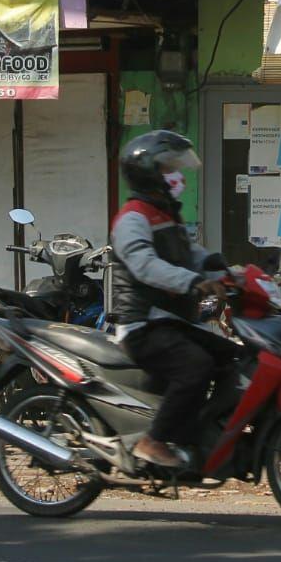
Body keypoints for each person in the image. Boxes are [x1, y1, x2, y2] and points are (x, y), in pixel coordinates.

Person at [111, 129, 232, 468]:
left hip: (170, 319)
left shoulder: (163, 213)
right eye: (168, 169)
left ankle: (197, 435)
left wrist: (224, 272)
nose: (175, 176)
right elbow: (145, 266)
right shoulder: (133, 217)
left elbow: (189, 253)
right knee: (196, 366)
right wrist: (195, 282)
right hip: (141, 323)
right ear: (149, 172)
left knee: (232, 356)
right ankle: (154, 440)